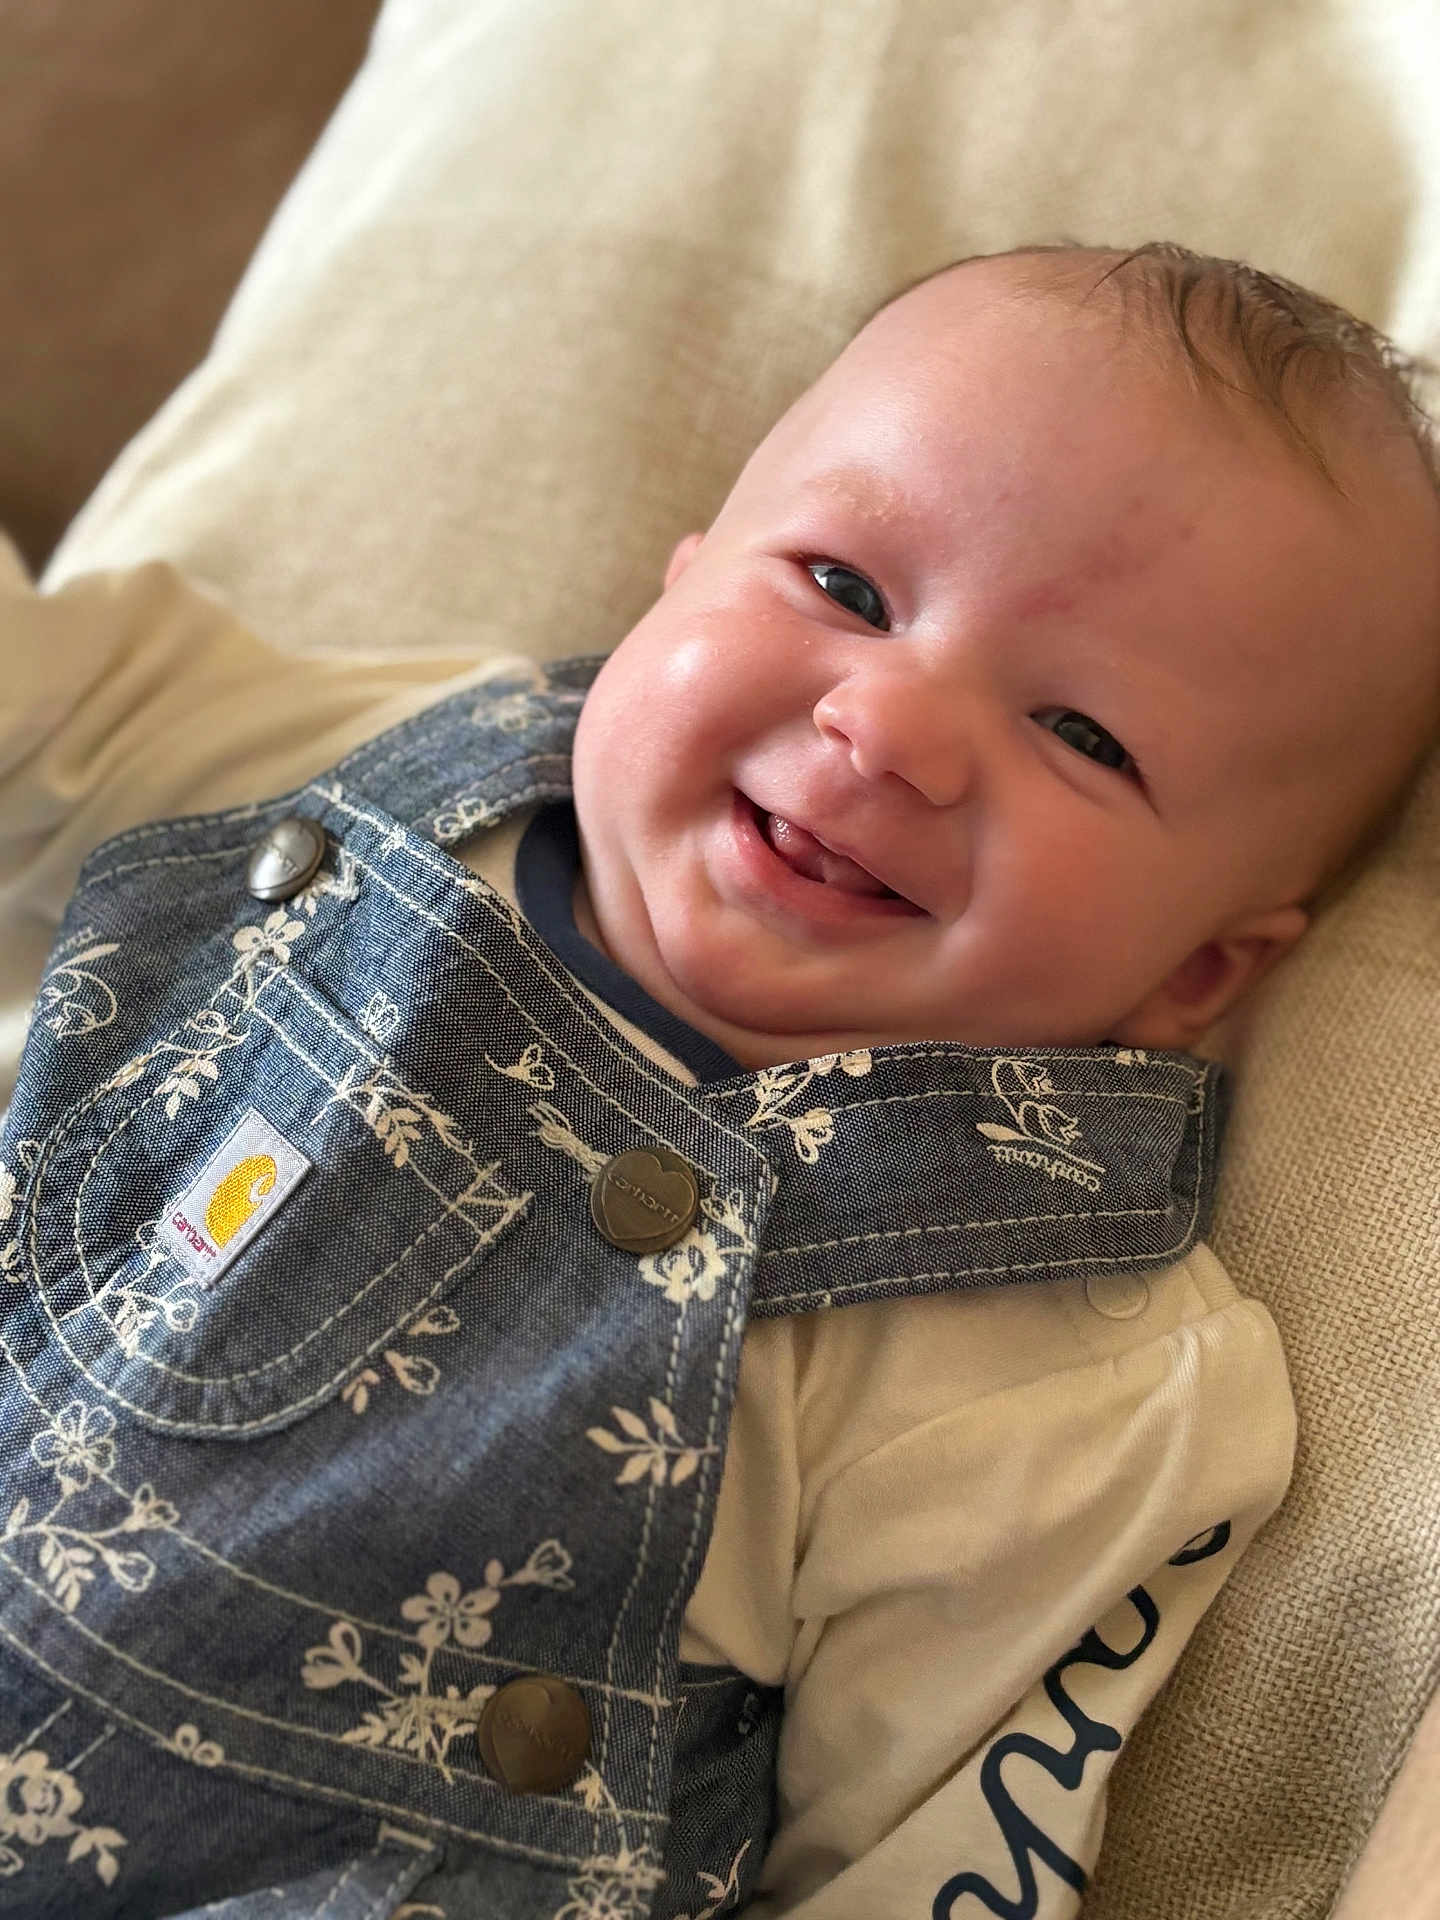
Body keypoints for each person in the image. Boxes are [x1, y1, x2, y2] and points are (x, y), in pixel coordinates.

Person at [0, 240, 1436, 1920]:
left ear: (1200, 971)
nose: (888, 725)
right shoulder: (428, 770)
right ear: (675, 586)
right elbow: (58, 718)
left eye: (1086, 735)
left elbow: (912, 1870)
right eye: (845, 586)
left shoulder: (1064, 1368)